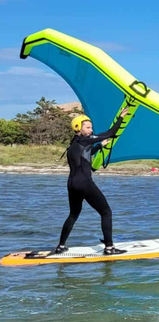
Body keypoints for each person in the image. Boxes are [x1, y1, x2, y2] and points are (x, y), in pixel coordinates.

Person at [52, 108, 130, 256]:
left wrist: (99, 146)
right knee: (106, 212)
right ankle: (109, 248)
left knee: (73, 214)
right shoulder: (84, 139)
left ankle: (60, 246)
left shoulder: (74, 143)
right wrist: (120, 118)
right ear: (78, 128)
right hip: (84, 183)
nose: (91, 129)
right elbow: (110, 133)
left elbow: (85, 156)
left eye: (91, 127)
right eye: (87, 127)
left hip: (72, 184)